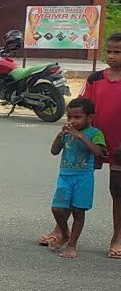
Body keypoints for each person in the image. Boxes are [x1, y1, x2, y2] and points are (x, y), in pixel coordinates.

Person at [66, 32, 121, 258]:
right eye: (109, 51)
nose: (112, 56)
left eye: (118, 52)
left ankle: (118, 235)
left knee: (117, 189)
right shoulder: (95, 78)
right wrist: (72, 130)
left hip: (119, 146)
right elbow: (80, 107)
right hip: (91, 141)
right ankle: (62, 230)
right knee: (72, 182)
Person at [45, 97, 107, 259]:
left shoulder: (94, 133)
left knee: (78, 211)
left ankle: (72, 244)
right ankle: (65, 233)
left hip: (83, 177)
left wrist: (80, 136)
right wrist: (59, 136)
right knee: (57, 209)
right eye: (69, 117)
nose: (72, 121)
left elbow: (99, 152)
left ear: (90, 118)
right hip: (65, 176)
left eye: (77, 117)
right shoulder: (66, 133)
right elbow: (54, 151)